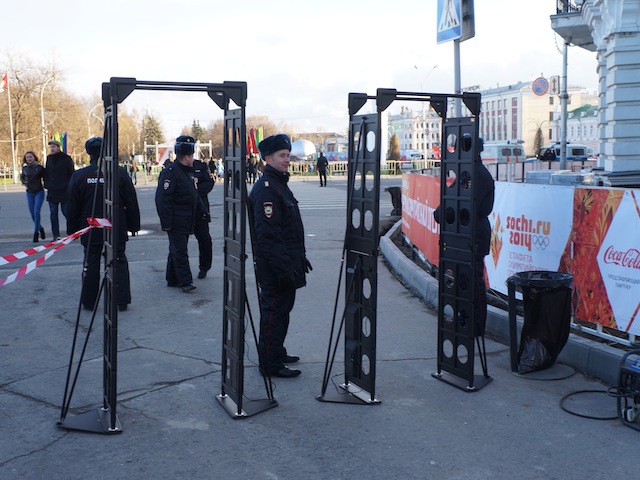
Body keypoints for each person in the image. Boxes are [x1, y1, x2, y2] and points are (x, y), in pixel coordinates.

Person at [248, 133, 312, 378]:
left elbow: (288, 230)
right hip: (275, 268)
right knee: (273, 314)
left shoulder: (278, 184)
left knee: (282, 312)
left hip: (286, 263)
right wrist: (284, 269)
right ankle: (270, 363)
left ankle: (276, 352)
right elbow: (268, 237)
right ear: (267, 158)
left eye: (287, 155)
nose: (287, 159)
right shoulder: (267, 189)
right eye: (282, 156)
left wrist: (299, 259)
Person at [66, 137, 141, 311]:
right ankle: (121, 300)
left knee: (91, 263)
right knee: (118, 260)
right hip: (115, 226)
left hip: (90, 227)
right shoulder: (119, 173)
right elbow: (131, 202)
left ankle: (89, 301)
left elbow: (72, 206)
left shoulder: (80, 175)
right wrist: (133, 226)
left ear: (89, 153)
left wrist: (72, 230)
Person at [433, 136, 494, 337]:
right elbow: (451, 201)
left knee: (473, 281)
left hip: (474, 235)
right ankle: (466, 319)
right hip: (465, 233)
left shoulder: (477, 175)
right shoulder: (468, 173)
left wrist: (442, 214)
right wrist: (441, 213)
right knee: (463, 280)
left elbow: (460, 206)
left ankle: (475, 325)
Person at [155, 135, 202, 293]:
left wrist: (203, 211)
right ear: (186, 157)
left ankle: (172, 278)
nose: (193, 159)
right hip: (176, 220)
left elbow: (194, 195)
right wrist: (167, 222)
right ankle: (185, 281)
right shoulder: (170, 173)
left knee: (175, 249)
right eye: (191, 156)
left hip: (186, 219)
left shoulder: (187, 172)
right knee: (180, 251)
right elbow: (162, 199)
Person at [44, 139, 74, 241]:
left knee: (67, 212)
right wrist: (47, 184)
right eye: (51, 147)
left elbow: (71, 173)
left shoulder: (66, 158)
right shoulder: (49, 158)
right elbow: (47, 173)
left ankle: (72, 232)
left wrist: (68, 185)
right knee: (53, 214)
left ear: (58, 147)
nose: (52, 149)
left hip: (64, 190)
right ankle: (55, 235)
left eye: (53, 147)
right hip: (52, 191)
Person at [192, 157, 214, 279]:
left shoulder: (200, 166)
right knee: (179, 244)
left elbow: (209, 183)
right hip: (183, 210)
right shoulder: (175, 168)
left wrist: (195, 191)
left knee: (205, 240)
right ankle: (176, 274)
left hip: (201, 209)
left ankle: (204, 267)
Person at [20, 151, 46, 242]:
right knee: (32, 214)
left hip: (39, 192)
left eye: (31, 157)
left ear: (34, 157)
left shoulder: (39, 168)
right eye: (27, 157)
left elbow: (46, 177)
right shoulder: (25, 169)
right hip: (30, 193)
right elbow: (22, 178)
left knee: (36, 212)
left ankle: (36, 233)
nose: (29, 159)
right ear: (25, 159)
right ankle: (40, 228)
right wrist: (25, 182)